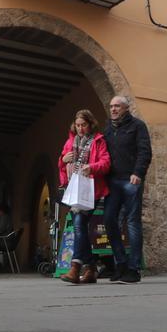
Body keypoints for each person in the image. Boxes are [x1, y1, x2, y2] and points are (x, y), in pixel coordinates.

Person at [101, 95, 151, 284]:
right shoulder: (107, 130)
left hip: (132, 179)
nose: (113, 109)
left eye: (117, 106)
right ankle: (120, 263)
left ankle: (134, 268)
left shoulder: (137, 126)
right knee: (108, 219)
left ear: (126, 109)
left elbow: (145, 150)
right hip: (112, 182)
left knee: (132, 222)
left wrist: (138, 172)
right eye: (111, 106)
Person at [58, 109, 111, 285]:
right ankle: (90, 269)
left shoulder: (98, 141)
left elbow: (106, 163)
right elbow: (61, 164)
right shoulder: (70, 141)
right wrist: (63, 159)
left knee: (80, 224)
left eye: (84, 125)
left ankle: (75, 267)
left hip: (91, 191)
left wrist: (92, 167)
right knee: (80, 227)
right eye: (78, 125)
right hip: (73, 189)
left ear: (90, 124)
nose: (80, 129)